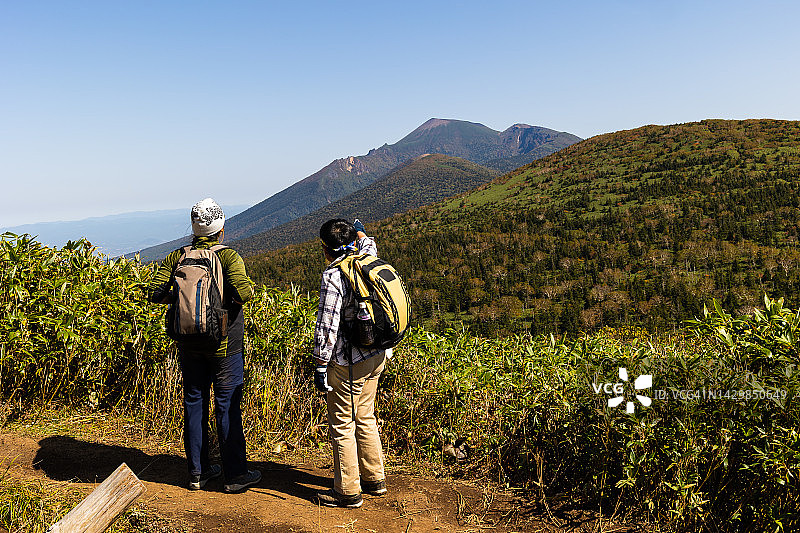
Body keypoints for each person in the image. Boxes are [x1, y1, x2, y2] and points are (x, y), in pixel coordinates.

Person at [147, 198, 261, 493]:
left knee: (194, 403)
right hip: (225, 344)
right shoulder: (228, 256)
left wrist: (182, 301)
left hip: (188, 343)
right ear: (221, 229)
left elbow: (155, 293)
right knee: (227, 406)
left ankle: (197, 472)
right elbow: (244, 293)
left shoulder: (177, 256)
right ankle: (235, 475)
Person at [313, 218, 388, 508]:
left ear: (325, 249)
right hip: (376, 354)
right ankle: (374, 479)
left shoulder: (333, 276)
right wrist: (360, 231)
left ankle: (347, 491)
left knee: (343, 424)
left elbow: (327, 325)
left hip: (349, 361)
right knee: (366, 416)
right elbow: (369, 242)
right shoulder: (367, 258)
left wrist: (321, 364)